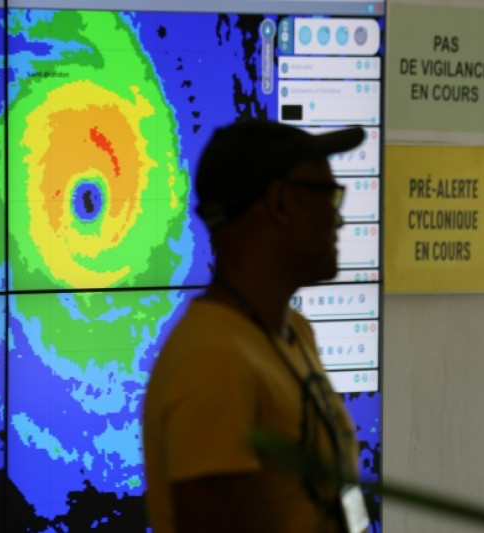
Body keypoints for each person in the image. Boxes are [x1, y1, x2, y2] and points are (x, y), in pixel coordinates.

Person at [142, 119, 368, 533]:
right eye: (328, 197)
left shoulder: (294, 331)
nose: (339, 222)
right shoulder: (213, 361)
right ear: (280, 202)